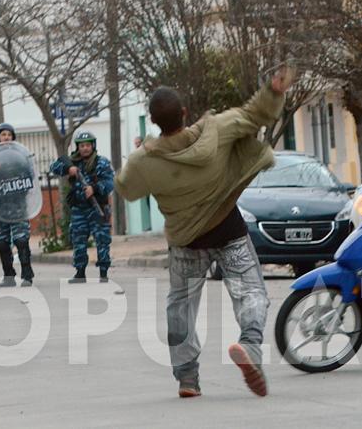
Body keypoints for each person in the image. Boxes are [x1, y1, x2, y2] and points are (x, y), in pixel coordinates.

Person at [114, 67, 295, 399]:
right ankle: (251, 344)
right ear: (184, 112)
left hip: (186, 242)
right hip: (229, 229)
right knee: (251, 292)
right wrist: (273, 91)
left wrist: (137, 156)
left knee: (180, 307)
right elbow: (258, 114)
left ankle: (187, 379)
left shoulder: (144, 160)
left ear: (153, 121)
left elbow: (126, 189)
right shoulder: (217, 130)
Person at [50, 131, 114, 283]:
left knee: (102, 239)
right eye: (82, 145)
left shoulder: (101, 162)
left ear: (93, 146)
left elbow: (110, 183)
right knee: (78, 240)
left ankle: (103, 272)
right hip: (79, 209)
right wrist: (67, 169)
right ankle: (80, 272)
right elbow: (53, 167)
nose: (85, 148)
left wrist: (95, 188)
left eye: (87, 145)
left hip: (97, 207)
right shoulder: (73, 162)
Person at [0, 123, 35, 288]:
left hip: (17, 204)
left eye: (8, 134)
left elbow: (30, 175)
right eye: (3, 134)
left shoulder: (20, 156)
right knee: (2, 242)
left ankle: (27, 274)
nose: (6, 137)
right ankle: (8, 275)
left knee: (21, 239)